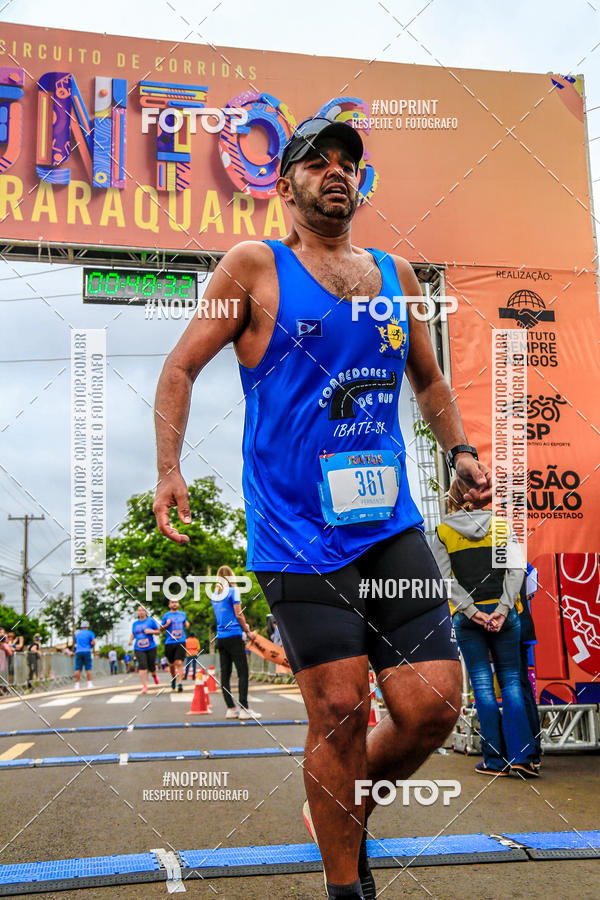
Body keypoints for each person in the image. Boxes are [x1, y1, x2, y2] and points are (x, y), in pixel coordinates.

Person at [153, 116, 492, 900]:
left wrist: (460, 451)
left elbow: (429, 381)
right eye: (317, 162)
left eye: (348, 163)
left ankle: (337, 806)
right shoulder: (254, 266)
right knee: (339, 710)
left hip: (389, 524)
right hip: (296, 532)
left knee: (433, 705)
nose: (335, 172)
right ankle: (348, 886)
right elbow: (178, 367)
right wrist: (169, 469)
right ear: (286, 184)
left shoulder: (396, 275)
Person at [432, 476, 538, 778]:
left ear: (453, 496)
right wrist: (503, 609)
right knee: (512, 683)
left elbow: (445, 582)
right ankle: (522, 757)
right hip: (504, 614)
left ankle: (494, 761)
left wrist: (473, 612)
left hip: (468, 620)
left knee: (482, 685)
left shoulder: (442, 533)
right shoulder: (501, 528)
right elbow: (514, 571)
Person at [209, 565, 261, 720]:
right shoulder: (233, 591)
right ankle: (244, 708)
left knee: (225, 673)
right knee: (243, 672)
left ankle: (231, 708)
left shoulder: (214, 595)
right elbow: (238, 614)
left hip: (221, 638)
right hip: (234, 635)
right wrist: (248, 631)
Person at [159, 598, 190, 692]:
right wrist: (166, 625)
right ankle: (173, 678)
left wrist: (187, 624)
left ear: (178, 604)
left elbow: (185, 623)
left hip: (181, 641)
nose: (174, 604)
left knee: (179, 662)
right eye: (172, 602)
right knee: (171, 664)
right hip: (169, 642)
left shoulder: (183, 614)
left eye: (176, 602)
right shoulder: (166, 615)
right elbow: (160, 629)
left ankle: (180, 683)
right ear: (169, 605)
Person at [129, 605, 161, 693]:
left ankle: (154, 675)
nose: (141, 612)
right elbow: (133, 634)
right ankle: (145, 686)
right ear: (137, 613)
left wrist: (151, 631)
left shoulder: (150, 621)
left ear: (146, 612)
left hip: (150, 647)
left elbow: (158, 631)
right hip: (139, 648)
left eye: (143, 610)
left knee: (151, 666)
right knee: (142, 666)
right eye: (139, 610)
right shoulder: (135, 624)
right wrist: (130, 640)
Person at [73, 621, 95, 689]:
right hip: (87, 651)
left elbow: (75, 642)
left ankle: (77, 685)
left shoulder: (77, 633)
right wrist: (91, 646)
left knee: (78, 668)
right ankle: (89, 684)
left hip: (78, 651)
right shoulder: (90, 633)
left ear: (81, 627)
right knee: (88, 668)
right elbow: (93, 642)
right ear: (87, 627)